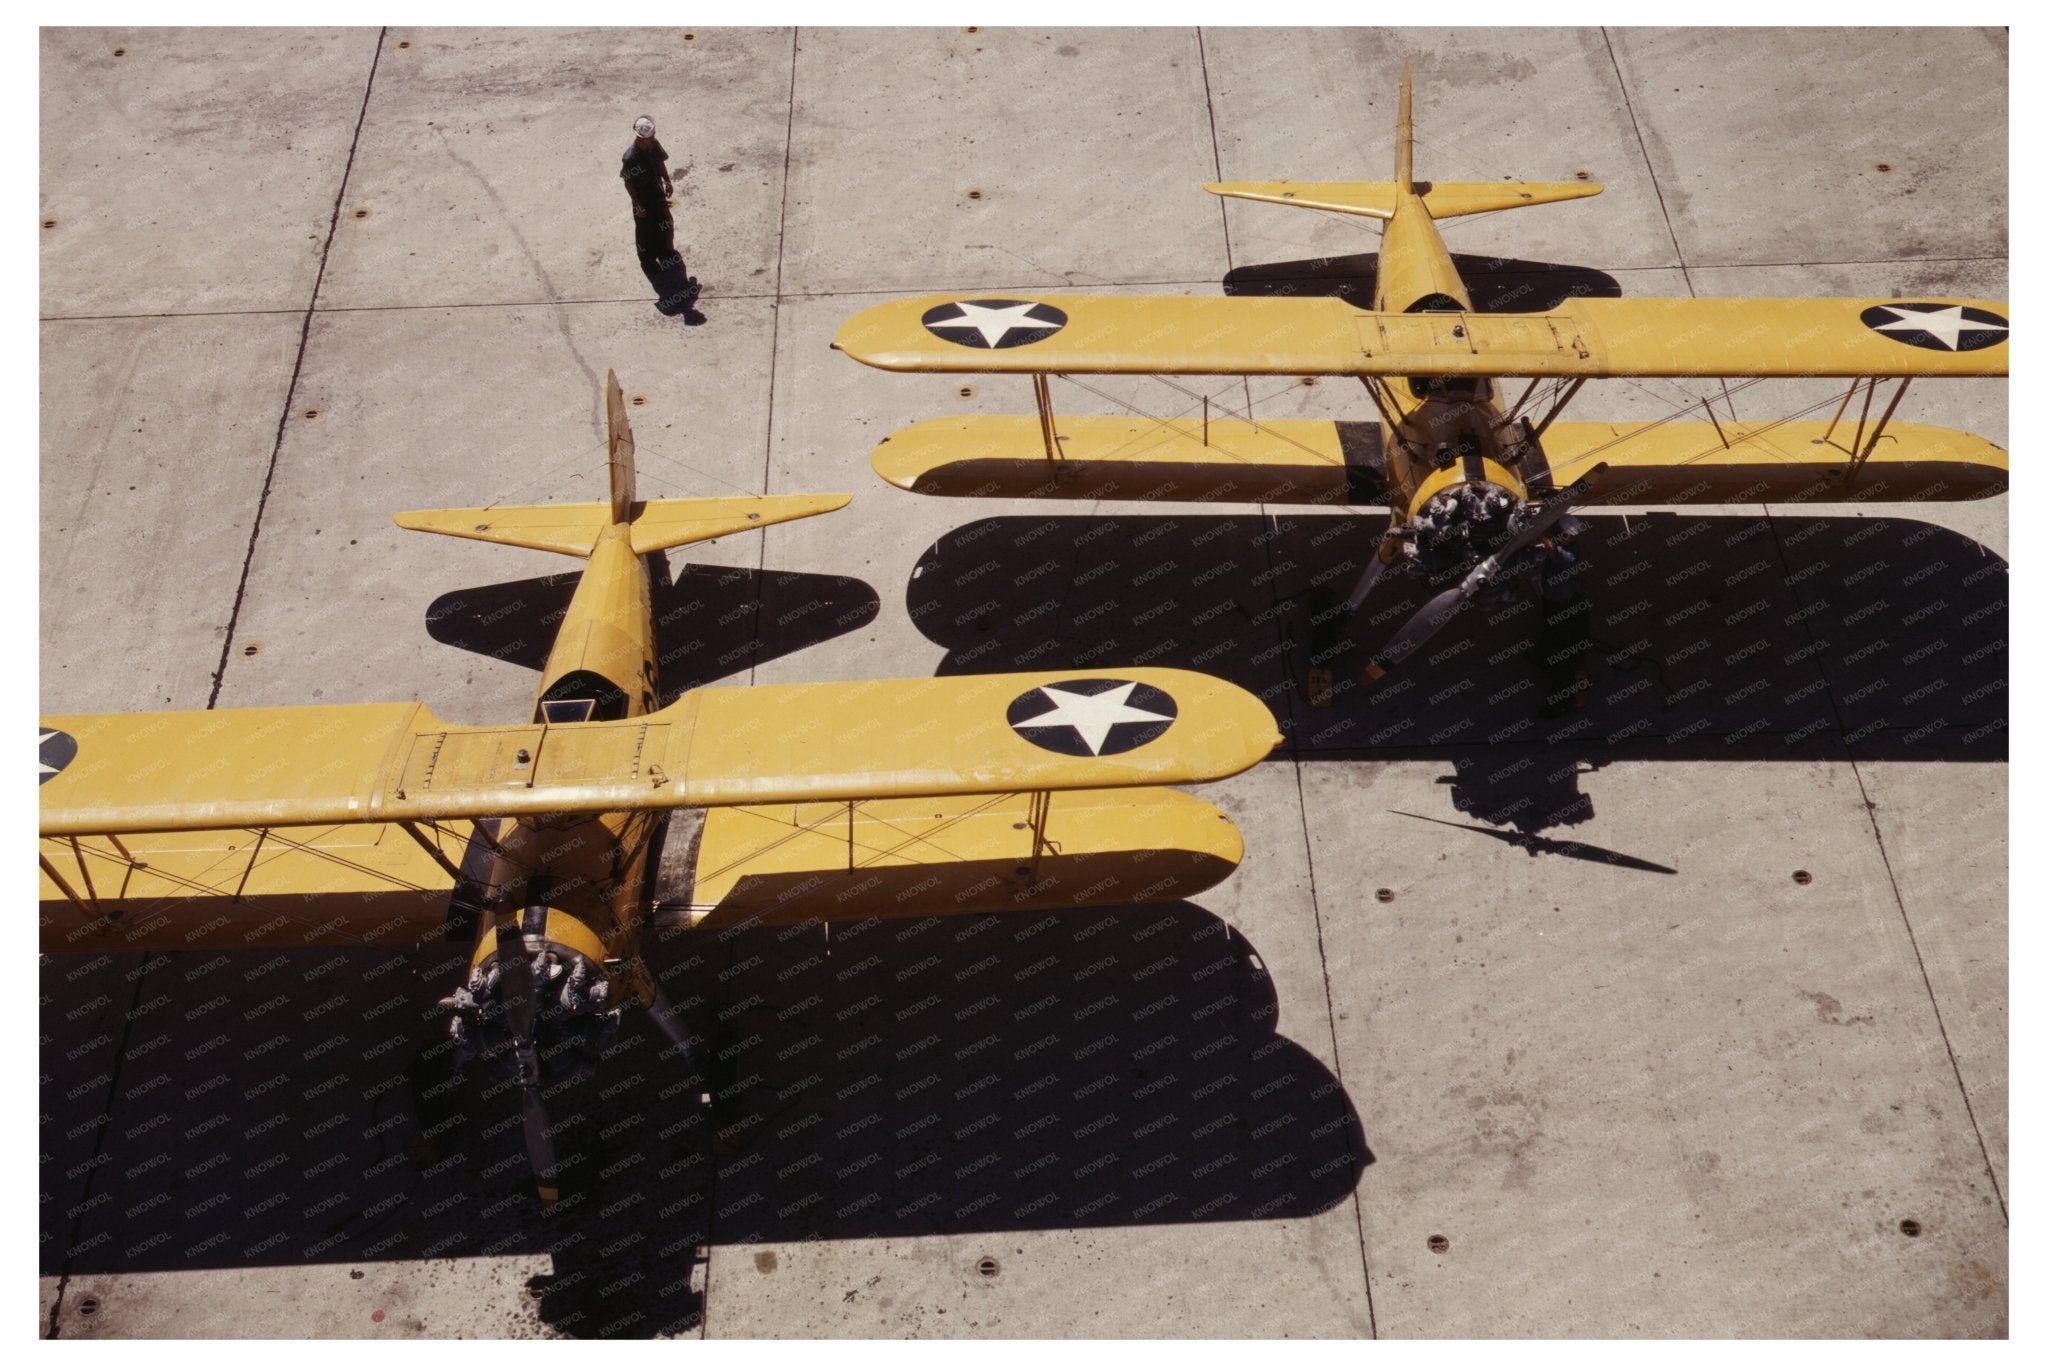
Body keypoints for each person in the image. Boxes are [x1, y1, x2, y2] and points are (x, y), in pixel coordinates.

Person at [621, 115, 695, 305]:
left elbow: (661, 162)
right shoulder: (631, 157)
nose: (653, 137)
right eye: (650, 136)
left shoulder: (654, 146)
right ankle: (648, 261)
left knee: (665, 224)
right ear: (640, 137)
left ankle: (666, 253)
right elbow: (629, 183)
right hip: (643, 199)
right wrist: (637, 205)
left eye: (653, 134)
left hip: (657, 193)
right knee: (645, 232)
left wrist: (667, 180)